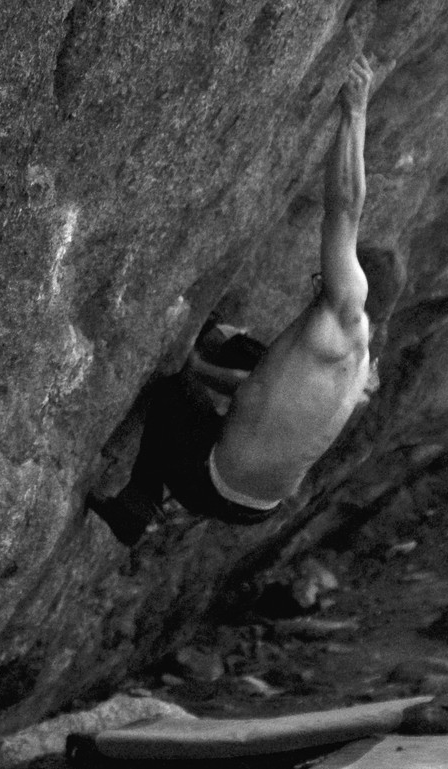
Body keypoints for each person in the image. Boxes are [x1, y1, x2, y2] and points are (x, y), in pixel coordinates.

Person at [88, 55, 377, 546]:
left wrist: (355, 112)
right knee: (246, 357)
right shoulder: (358, 370)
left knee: (172, 391)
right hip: (257, 507)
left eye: (325, 274)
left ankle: (140, 500)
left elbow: (346, 208)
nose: (319, 278)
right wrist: (203, 364)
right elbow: (261, 395)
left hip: (209, 480)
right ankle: (147, 500)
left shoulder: (347, 309)